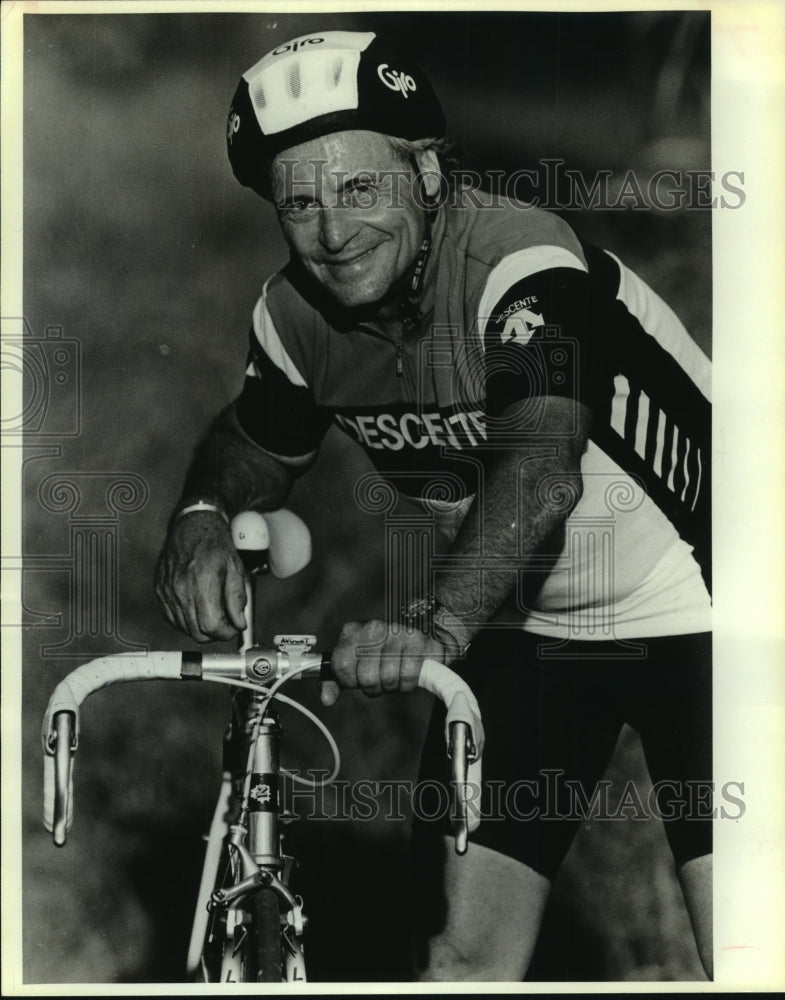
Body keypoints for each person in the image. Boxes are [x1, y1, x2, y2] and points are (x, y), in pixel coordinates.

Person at [155, 30, 712, 980]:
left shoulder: (519, 264)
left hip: (715, 608)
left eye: (359, 188)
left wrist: (435, 627)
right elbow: (256, 438)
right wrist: (204, 510)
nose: (331, 233)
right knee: (458, 958)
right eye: (299, 200)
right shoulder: (297, 316)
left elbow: (540, 470)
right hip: (527, 626)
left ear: (423, 172)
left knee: (748, 944)